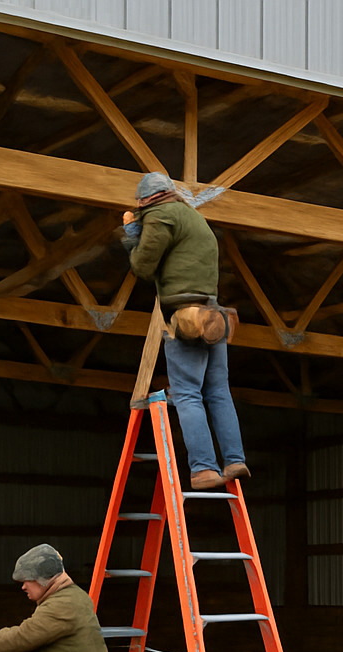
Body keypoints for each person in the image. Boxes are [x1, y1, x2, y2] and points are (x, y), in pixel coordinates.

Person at [122, 171, 246, 490]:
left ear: (145, 200)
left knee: (188, 394)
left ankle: (204, 468)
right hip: (213, 312)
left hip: (184, 315)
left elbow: (143, 267)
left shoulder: (160, 215)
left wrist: (131, 236)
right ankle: (234, 460)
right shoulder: (195, 218)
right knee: (218, 390)